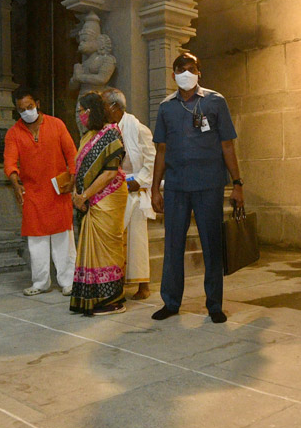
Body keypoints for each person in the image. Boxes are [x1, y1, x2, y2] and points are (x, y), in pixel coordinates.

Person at [151, 52, 244, 324]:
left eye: (190, 68)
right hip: (177, 187)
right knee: (173, 246)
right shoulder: (166, 107)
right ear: (173, 75)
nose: (185, 73)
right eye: (180, 69)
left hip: (209, 186)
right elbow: (161, 151)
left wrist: (237, 183)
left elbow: (227, 144)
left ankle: (214, 304)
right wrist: (155, 188)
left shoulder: (215, 102)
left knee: (211, 245)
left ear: (199, 72)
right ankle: (171, 302)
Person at [4, 86, 76, 296]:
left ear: (38, 104)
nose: (27, 111)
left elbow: (71, 153)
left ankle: (68, 281)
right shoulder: (14, 133)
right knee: (37, 241)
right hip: (33, 193)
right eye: (21, 109)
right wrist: (15, 181)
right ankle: (40, 282)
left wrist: (72, 177)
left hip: (58, 191)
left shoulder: (57, 124)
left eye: (30, 106)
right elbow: (9, 161)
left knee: (63, 239)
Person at [70, 91, 128, 316]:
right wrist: (77, 194)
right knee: (89, 248)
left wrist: (85, 196)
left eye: (82, 111)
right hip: (89, 199)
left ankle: (111, 300)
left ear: (92, 111)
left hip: (108, 198)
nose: (80, 115)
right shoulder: (88, 135)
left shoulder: (111, 133)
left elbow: (110, 173)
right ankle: (92, 297)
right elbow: (79, 169)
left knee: (107, 248)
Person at [102, 87, 156, 300]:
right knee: (113, 237)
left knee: (137, 238)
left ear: (115, 107)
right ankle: (114, 281)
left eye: (104, 105)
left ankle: (143, 285)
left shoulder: (137, 128)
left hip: (134, 187)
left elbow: (151, 161)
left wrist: (138, 182)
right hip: (112, 186)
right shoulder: (105, 129)